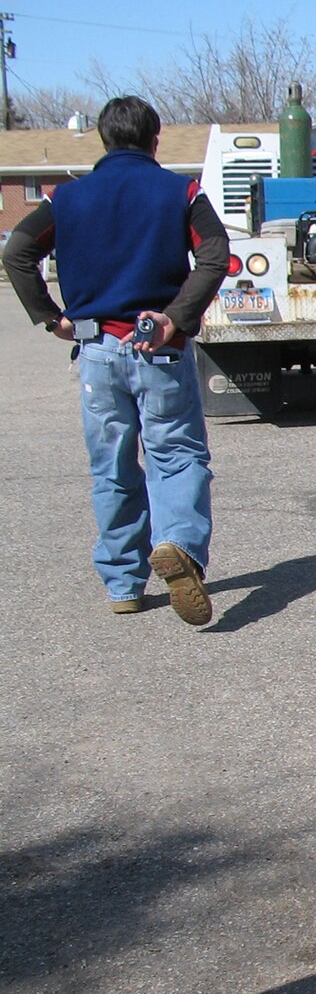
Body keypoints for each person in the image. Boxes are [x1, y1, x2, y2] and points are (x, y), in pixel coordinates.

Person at [3, 96, 231, 625]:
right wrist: (177, 315)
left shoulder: (66, 199)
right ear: (155, 139)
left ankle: (124, 583)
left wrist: (51, 317)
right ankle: (178, 546)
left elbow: (16, 251)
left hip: (95, 351)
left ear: (103, 140)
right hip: (159, 347)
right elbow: (215, 254)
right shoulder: (180, 191)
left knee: (112, 467)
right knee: (175, 455)